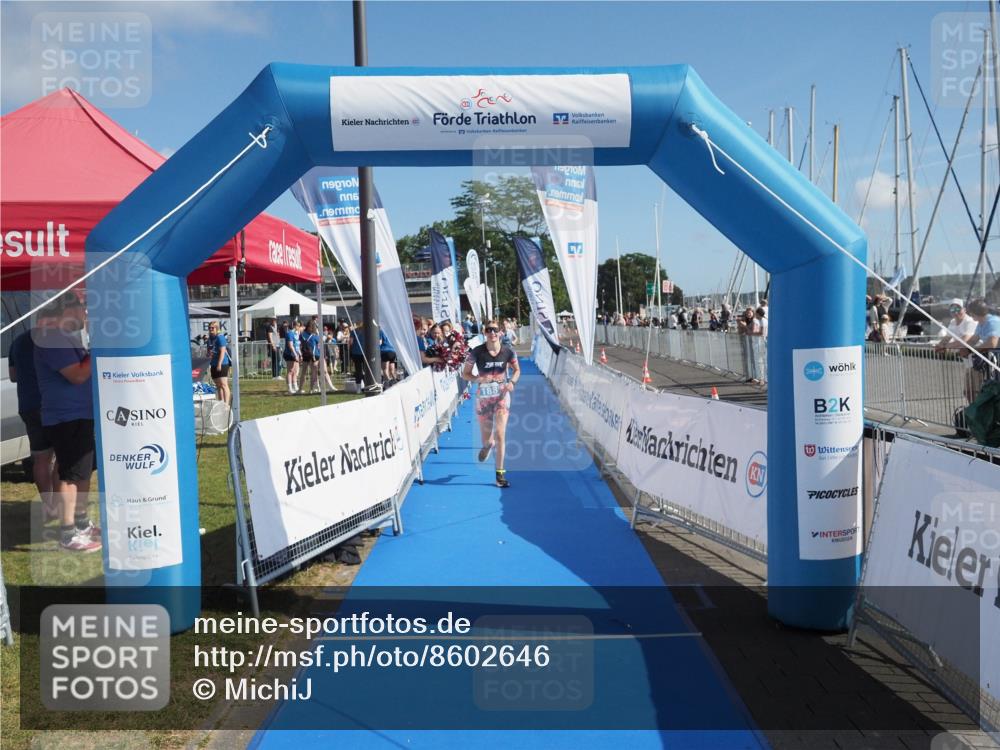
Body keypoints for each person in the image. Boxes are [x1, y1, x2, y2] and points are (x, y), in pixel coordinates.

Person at [33, 295, 101, 552]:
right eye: (84, 308)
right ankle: (68, 532)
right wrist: (98, 349)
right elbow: (77, 375)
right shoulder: (52, 338)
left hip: (78, 415)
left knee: (80, 471)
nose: (86, 314)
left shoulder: (63, 338)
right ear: (69, 309)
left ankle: (81, 524)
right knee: (70, 474)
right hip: (66, 417)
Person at [8, 307, 60, 521]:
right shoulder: (55, 340)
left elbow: (12, 376)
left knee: (40, 458)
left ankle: (48, 507)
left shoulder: (18, 341)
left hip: (28, 406)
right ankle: (60, 503)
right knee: (63, 456)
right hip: (53, 405)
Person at [462, 320, 520, 488]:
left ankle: (500, 475)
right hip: (484, 399)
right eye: (489, 330)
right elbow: (465, 374)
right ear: (484, 332)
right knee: (488, 440)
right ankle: (488, 446)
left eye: (495, 330)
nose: (492, 333)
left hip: (502, 396)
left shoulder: (508, 352)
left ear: (500, 332)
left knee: (501, 434)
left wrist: (512, 383)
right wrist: (476, 378)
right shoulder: (476, 352)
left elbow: (517, 370)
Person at [960, 298, 1000, 402]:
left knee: (994, 388)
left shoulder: (993, 322)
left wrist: (970, 351)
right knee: (973, 388)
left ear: (974, 313)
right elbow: (974, 339)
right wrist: (965, 347)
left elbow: (992, 343)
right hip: (990, 360)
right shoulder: (981, 323)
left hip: (996, 360)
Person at [207, 322, 231, 404]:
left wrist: (219, 364)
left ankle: (226, 404)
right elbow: (209, 351)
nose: (210, 329)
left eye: (212, 328)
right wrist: (208, 354)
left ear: (216, 328)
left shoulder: (220, 337)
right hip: (213, 364)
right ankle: (221, 403)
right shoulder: (209, 339)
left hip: (222, 363)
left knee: (224, 384)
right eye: (209, 327)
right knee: (218, 385)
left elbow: (223, 351)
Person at [298, 320, 320, 394]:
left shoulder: (303, 334)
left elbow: (300, 344)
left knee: (309, 372)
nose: (311, 328)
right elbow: (318, 345)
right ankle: (306, 389)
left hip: (309, 355)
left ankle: (307, 389)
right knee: (309, 372)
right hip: (311, 355)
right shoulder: (314, 335)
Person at [282, 320, 301, 395]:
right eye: (298, 326)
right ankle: (290, 388)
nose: (299, 327)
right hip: (290, 354)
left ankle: (295, 386)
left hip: (295, 354)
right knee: (290, 371)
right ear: (294, 326)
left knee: (295, 371)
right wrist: (295, 354)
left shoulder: (295, 334)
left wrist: (300, 354)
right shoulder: (290, 333)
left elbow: (297, 345)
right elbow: (290, 345)